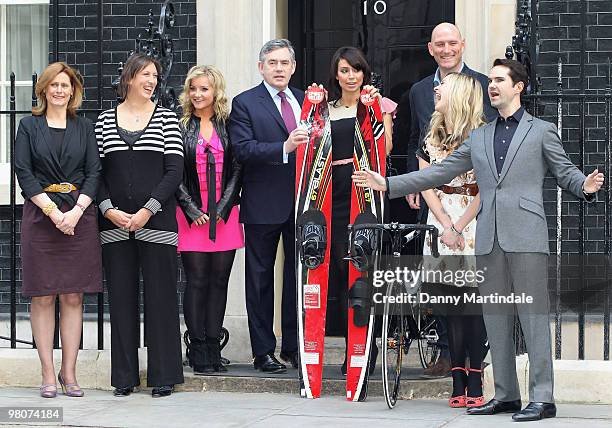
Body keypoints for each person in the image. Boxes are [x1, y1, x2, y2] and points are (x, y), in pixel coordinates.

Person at [353, 59, 604, 422]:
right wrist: (389, 184)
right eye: (491, 81)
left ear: (520, 86)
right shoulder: (480, 136)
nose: (493, 85)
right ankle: (505, 396)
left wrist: (584, 185)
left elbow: (564, 172)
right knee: (496, 319)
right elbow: (440, 172)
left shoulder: (541, 131)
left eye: (500, 80)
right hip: (488, 237)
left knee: (533, 319)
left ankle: (543, 398)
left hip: (527, 236)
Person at [401, 22, 496, 377]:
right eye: (439, 44)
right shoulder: (420, 90)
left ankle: (477, 352)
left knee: (475, 279)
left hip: (474, 199)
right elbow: (414, 141)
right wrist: (414, 182)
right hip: (436, 197)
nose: (446, 49)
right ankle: (445, 350)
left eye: (452, 43)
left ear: (463, 45)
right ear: (430, 48)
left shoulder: (484, 85)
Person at [95, 53, 184, 397]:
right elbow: (97, 174)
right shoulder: (104, 121)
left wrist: (148, 209)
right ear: (129, 78)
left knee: (161, 299)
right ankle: (124, 378)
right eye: (145, 74)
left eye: (155, 76)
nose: (152, 81)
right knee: (121, 299)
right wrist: (108, 209)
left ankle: (163, 375)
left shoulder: (166, 118)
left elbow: (174, 171)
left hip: (157, 222)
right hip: (115, 225)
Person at [15, 62, 102, 398]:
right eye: (54, 85)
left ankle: (69, 373)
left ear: (73, 91)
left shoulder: (85, 127)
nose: (60, 90)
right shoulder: (28, 126)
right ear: (44, 90)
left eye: (65, 85)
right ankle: (48, 374)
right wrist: (53, 212)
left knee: (73, 295)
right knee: (42, 295)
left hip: (78, 217)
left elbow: (94, 172)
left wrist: (77, 211)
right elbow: (24, 172)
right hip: (41, 217)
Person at [228, 39, 305, 373]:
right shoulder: (245, 103)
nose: (279, 68)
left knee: (297, 277)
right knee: (260, 279)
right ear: (261, 67)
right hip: (262, 202)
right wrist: (284, 147)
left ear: (293, 67)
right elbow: (243, 150)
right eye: (272, 62)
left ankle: (294, 346)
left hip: (304, 203)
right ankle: (263, 351)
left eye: (285, 62)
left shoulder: (307, 100)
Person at [416, 72, 488, 408]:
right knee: (451, 308)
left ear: (458, 95)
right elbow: (425, 181)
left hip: (470, 223)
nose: (436, 89)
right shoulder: (429, 135)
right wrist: (445, 223)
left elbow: (486, 189)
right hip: (440, 221)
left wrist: (459, 226)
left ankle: (476, 380)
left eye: (442, 87)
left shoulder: (483, 135)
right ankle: (457, 382)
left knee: (470, 307)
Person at [176, 65, 243, 374]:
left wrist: (222, 207)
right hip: (191, 216)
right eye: (193, 89)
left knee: (219, 282)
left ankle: (214, 347)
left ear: (215, 91)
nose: (198, 94)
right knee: (197, 281)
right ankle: (198, 349)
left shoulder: (229, 125)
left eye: (204, 88)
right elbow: (174, 172)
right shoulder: (179, 126)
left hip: (224, 214)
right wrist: (193, 209)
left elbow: (237, 169)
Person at [324, 46, 382, 376]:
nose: (350, 76)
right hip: (331, 195)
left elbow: (383, 148)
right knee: (335, 273)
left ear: (364, 73)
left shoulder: (373, 106)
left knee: (362, 272)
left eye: (356, 70)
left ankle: (365, 347)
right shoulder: (324, 110)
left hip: (362, 195)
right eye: (344, 70)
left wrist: (373, 112)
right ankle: (347, 344)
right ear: (336, 74)